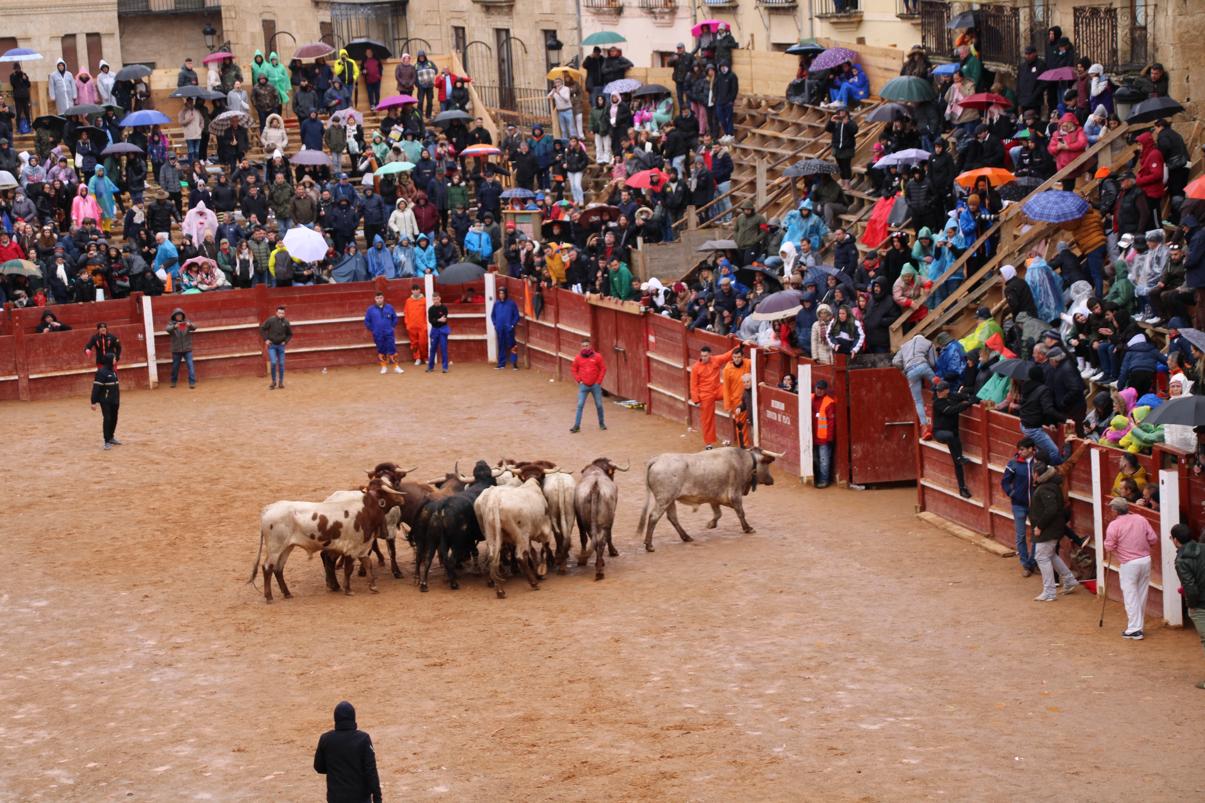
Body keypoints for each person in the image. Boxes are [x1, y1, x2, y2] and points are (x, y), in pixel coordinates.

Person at [1105, 496, 1158, 640]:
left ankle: (1135, 629)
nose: (1110, 510)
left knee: (1130, 595)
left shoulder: (1114, 525)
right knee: (1141, 593)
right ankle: (1137, 627)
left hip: (1129, 564)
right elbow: (1153, 539)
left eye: (1111, 508)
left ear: (1115, 510)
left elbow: (1109, 546)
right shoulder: (1141, 519)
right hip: (1145, 560)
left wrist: (1115, 548)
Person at [1027, 461, 1080, 602]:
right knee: (1050, 555)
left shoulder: (1045, 488)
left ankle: (1050, 591)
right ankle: (1069, 580)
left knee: (1041, 557)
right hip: (1053, 527)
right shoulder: (1051, 485)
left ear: (1036, 474)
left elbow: (1051, 510)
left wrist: (1040, 526)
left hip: (1048, 529)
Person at [313, 700, 381, 803]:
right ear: (353, 718)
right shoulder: (363, 739)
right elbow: (371, 772)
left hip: (336, 798)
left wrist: (337, 769)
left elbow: (319, 767)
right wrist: (377, 799)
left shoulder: (326, 739)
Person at [1170, 524, 1205, 688]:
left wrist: (1192, 605)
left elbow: (1190, 588)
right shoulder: (1203, 548)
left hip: (1201, 604)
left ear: (1176, 541)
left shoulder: (1181, 560)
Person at [1002, 438, 1040, 577]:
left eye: (1023, 449)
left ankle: (1032, 562)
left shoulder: (1039, 462)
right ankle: (1026, 564)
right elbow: (1005, 482)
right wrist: (1013, 494)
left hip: (1035, 506)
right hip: (1019, 505)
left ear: (1031, 449)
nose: (1020, 452)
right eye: (1019, 449)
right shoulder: (1014, 463)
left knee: (1037, 535)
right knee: (1021, 535)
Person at [932, 381, 973, 499]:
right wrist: (966, 404)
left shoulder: (952, 396)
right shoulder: (937, 403)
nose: (938, 393)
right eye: (938, 391)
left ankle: (962, 488)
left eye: (940, 391)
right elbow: (950, 410)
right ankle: (960, 457)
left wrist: (970, 399)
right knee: (949, 437)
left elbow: (965, 397)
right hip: (940, 433)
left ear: (946, 390)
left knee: (957, 463)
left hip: (954, 434)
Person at [690, 345, 735, 450]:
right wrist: (696, 399)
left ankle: (734, 407)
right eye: (702, 356)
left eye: (705, 356)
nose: (703, 358)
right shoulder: (696, 367)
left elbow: (727, 355)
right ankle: (708, 443)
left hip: (717, 389)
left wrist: (741, 346)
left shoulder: (716, 360)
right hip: (705, 395)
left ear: (710, 355)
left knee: (733, 391)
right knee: (707, 419)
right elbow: (693, 385)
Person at [892, 333, 936, 440]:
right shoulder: (929, 343)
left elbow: (895, 362)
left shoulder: (904, 346)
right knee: (940, 385)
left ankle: (924, 427)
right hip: (924, 367)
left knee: (918, 401)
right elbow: (933, 362)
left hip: (910, 372)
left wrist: (905, 370)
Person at [570, 338, 607, 433]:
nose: (585, 348)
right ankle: (577, 426)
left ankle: (601, 423)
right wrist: (579, 380)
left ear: (590, 346)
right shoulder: (578, 358)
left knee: (599, 405)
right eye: (583, 346)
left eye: (586, 345)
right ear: (581, 347)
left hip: (595, 385)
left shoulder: (597, 356)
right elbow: (574, 369)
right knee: (580, 405)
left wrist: (598, 382)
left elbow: (603, 368)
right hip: (584, 386)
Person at [364, 291, 402, 374]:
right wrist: (373, 329)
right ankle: (384, 366)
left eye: (380, 298)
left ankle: (396, 366)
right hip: (378, 334)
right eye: (377, 298)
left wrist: (391, 327)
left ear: (383, 298)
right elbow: (367, 321)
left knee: (392, 349)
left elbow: (395, 318)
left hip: (389, 332)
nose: (379, 299)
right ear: (375, 299)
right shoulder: (370, 309)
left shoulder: (389, 307)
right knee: (381, 350)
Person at [90, 352, 121, 450]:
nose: (116, 360)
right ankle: (106, 441)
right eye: (114, 359)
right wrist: (93, 402)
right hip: (105, 401)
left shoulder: (113, 371)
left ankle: (111, 437)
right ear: (110, 360)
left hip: (115, 400)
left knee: (114, 418)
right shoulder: (101, 372)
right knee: (107, 419)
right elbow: (96, 388)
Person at [721, 348, 751, 447]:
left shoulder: (747, 362)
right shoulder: (727, 369)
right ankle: (743, 447)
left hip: (749, 398)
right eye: (734, 357)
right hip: (737, 401)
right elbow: (726, 388)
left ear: (743, 357)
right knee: (741, 425)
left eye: (738, 357)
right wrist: (727, 405)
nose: (737, 359)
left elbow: (760, 361)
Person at [260, 305, 293, 390]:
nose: (281, 314)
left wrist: (285, 341)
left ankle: (281, 382)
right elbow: (262, 328)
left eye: (282, 313)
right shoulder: (271, 320)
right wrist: (266, 339)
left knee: (281, 364)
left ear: (284, 313)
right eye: (279, 313)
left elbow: (290, 334)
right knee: (274, 363)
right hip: (272, 346)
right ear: (276, 313)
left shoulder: (286, 322)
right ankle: (273, 381)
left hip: (281, 346)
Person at [812, 378, 836, 488]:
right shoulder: (810, 398)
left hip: (824, 438)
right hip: (812, 437)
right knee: (817, 459)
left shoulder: (829, 402)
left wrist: (830, 437)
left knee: (824, 461)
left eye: (822, 389)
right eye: (818, 388)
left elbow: (831, 422)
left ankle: (824, 481)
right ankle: (818, 479)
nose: (819, 390)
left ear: (825, 390)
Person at [166, 307, 197, 389]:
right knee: (175, 367)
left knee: (190, 366)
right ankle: (173, 382)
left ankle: (192, 383)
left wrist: (190, 325)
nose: (179, 316)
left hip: (187, 349)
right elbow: (167, 329)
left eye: (180, 315)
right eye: (177, 315)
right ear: (174, 316)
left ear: (182, 316)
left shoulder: (187, 322)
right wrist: (174, 327)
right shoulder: (171, 324)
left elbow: (195, 327)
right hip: (176, 350)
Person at [491, 286, 520, 370]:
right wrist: (495, 324)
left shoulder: (511, 303)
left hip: (509, 328)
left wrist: (512, 325)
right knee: (501, 345)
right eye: (500, 293)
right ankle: (501, 364)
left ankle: (514, 363)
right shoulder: (496, 304)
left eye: (503, 293)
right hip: (500, 328)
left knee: (513, 345)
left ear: (506, 294)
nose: (501, 295)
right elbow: (493, 316)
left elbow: (516, 316)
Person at [402, 283, 428, 365]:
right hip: (412, 326)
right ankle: (417, 358)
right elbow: (406, 313)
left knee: (423, 342)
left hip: (422, 325)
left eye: (417, 289)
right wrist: (407, 324)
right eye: (414, 290)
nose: (416, 291)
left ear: (420, 290)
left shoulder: (425, 300)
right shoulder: (408, 301)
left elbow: (428, 312)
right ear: (412, 291)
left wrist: (426, 324)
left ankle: (425, 357)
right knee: (414, 344)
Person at [427, 292, 450, 373]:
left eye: (437, 299)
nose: (435, 301)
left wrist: (438, 320)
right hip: (435, 330)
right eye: (434, 299)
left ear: (440, 298)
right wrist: (438, 320)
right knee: (432, 349)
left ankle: (445, 367)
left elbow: (444, 319)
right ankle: (430, 367)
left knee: (444, 348)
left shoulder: (444, 308)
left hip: (443, 329)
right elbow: (430, 320)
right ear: (432, 300)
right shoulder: (430, 309)